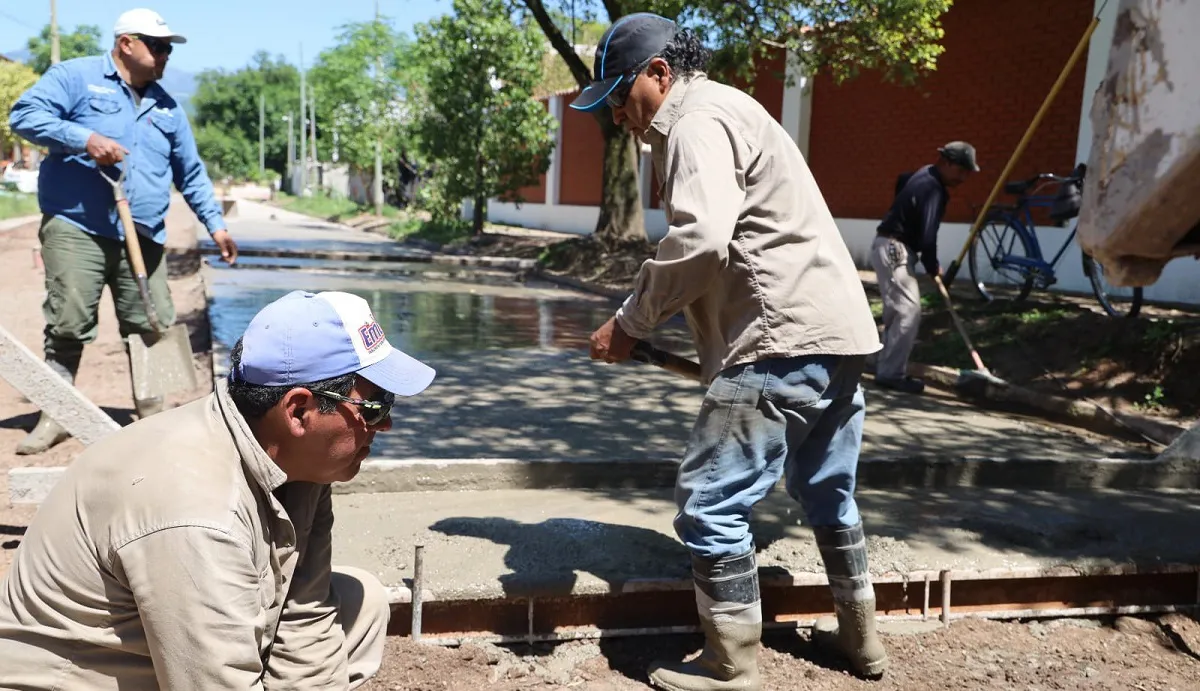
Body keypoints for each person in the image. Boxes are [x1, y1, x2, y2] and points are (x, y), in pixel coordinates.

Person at [575, 13, 888, 690]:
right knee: (828, 491)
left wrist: (630, 322)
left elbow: (702, 240)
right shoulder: (729, 108)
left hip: (777, 339)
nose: (617, 116)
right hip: (835, 335)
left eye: (619, 97)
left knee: (710, 503)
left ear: (659, 73)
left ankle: (730, 664)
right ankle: (862, 639)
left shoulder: (693, 123)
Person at [0, 290, 436, 689]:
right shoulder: (198, 513)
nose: (386, 425)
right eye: (374, 407)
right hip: (82, 676)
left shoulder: (297, 463)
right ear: (298, 410)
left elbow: (304, 612)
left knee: (362, 602)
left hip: (168, 651)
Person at [8, 8, 238, 454]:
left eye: (168, 48)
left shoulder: (167, 107)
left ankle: (154, 415)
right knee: (69, 321)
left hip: (144, 233)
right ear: (126, 43)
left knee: (152, 321)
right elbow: (24, 115)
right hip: (78, 227)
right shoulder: (75, 77)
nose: (165, 54)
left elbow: (190, 173)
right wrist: (84, 138)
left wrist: (216, 226)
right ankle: (55, 414)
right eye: (158, 46)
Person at [871, 142, 980, 394]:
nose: (963, 178)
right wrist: (932, 266)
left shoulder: (925, 173)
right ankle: (890, 374)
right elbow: (928, 236)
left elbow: (902, 180)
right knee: (908, 312)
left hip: (888, 245)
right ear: (948, 163)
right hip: (895, 248)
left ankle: (885, 365)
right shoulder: (933, 189)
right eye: (961, 171)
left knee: (898, 312)